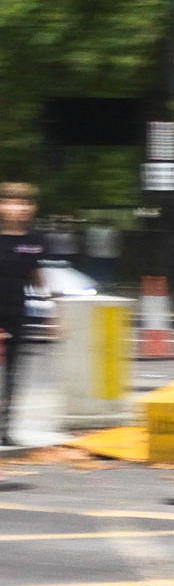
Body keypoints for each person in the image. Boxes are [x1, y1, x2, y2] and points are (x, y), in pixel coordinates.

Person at [1, 183, 43, 448]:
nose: (17, 208)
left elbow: (36, 276)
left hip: (17, 312)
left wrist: (55, 313)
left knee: (13, 374)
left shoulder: (35, 240)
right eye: (11, 202)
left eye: (24, 203)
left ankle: (6, 429)